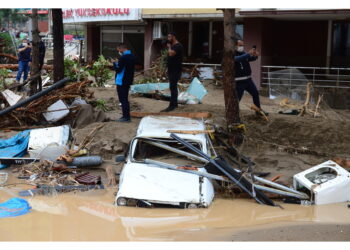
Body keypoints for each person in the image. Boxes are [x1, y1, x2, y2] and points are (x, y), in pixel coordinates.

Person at [234, 40, 268, 116]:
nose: (241, 47)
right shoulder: (231, 54)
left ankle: (258, 110)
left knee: (255, 93)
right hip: (239, 82)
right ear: (235, 46)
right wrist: (248, 54)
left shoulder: (243, 53)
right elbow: (237, 59)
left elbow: (250, 58)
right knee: (237, 98)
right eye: (240, 45)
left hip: (248, 80)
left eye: (242, 45)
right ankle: (234, 114)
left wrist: (255, 56)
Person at [161, 32, 184, 112]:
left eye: (169, 37)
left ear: (174, 37)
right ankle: (175, 104)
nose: (168, 38)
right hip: (171, 69)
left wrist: (169, 47)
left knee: (173, 87)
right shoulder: (173, 46)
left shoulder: (178, 46)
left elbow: (171, 54)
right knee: (172, 87)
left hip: (176, 70)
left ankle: (172, 106)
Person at [113, 43, 135, 122]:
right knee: (125, 98)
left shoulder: (123, 58)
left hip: (122, 81)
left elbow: (118, 69)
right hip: (128, 80)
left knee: (123, 99)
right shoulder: (132, 56)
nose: (118, 51)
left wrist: (114, 63)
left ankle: (126, 117)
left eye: (118, 50)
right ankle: (125, 116)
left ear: (121, 49)